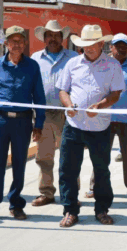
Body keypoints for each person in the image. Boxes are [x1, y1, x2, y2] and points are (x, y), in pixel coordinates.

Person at [56, 25, 125, 228]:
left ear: (101, 44)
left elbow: (116, 93)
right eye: (85, 45)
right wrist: (68, 105)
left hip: (100, 126)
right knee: (68, 169)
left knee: (101, 170)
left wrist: (102, 105)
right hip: (74, 125)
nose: (89, 48)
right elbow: (63, 90)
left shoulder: (112, 65)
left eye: (93, 44)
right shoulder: (72, 64)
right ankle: (70, 210)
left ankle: (102, 209)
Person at [0, 26, 46, 223]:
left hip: (23, 121)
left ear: (25, 44)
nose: (16, 44)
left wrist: (38, 123)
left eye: (20, 40)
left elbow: (39, 97)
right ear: (6, 43)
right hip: (0, 120)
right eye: (12, 41)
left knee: (19, 164)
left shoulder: (32, 66)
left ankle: (16, 204)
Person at [85, 33, 127, 200]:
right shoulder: (102, 65)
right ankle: (94, 187)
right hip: (104, 119)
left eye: (125, 46)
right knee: (100, 155)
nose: (122, 49)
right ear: (110, 47)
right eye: (118, 45)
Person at [30, 20, 78, 207]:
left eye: (57, 35)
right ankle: (46, 193)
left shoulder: (73, 57)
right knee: (44, 156)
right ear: (44, 38)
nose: (53, 38)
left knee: (70, 157)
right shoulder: (35, 58)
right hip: (43, 114)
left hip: (68, 114)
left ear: (62, 38)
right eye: (49, 35)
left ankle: (71, 195)